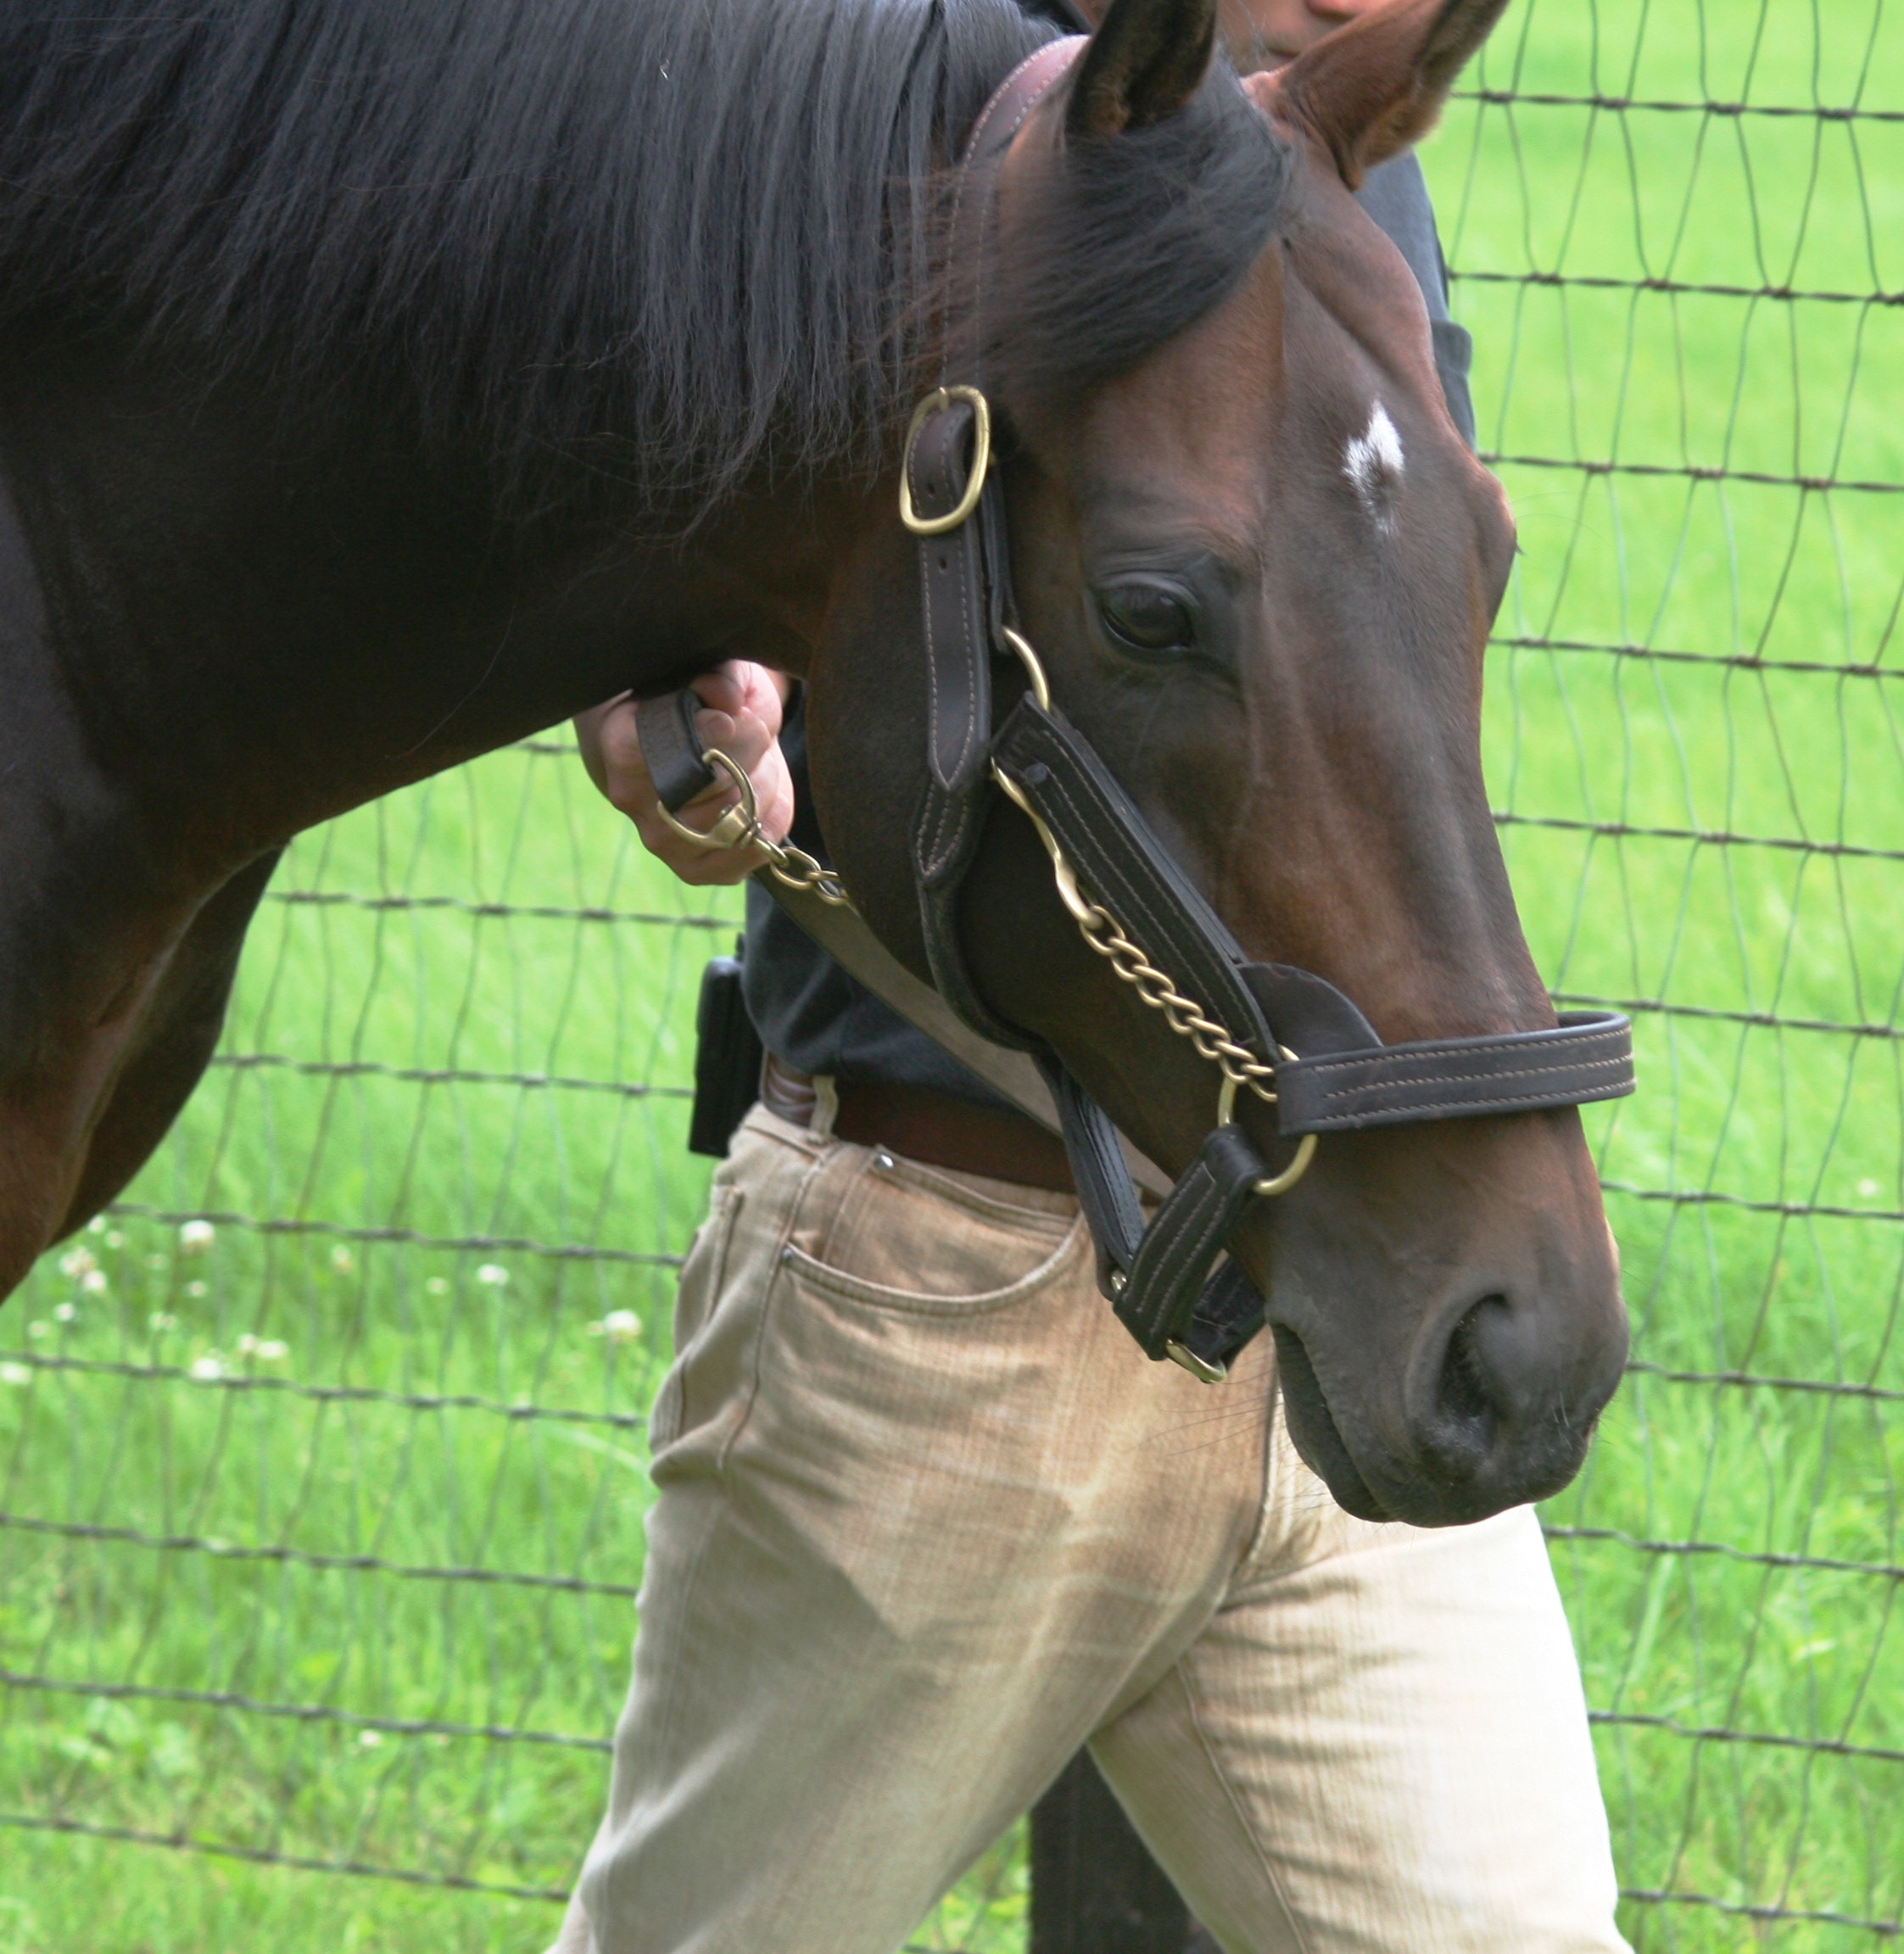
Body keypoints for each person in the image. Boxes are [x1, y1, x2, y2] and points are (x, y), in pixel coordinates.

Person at [558, 4, 1630, 1949]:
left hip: (1333, 1264)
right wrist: (681, 711)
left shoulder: (1348, 174)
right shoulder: (867, 116)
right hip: (941, 1319)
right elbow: (656, 535)